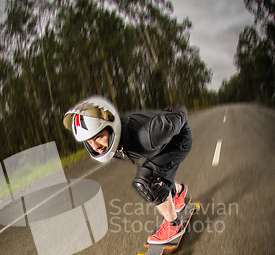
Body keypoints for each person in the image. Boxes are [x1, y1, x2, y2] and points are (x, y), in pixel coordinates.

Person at [63, 96, 192, 244]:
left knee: (146, 181)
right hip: (158, 148)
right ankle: (178, 192)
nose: (95, 147)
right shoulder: (110, 143)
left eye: (98, 137)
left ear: (112, 128)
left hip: (179, 140)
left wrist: (178, 110)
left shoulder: (150, 134)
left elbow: (179, 115)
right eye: (88, 141)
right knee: (155, 174)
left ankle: (173, 226)